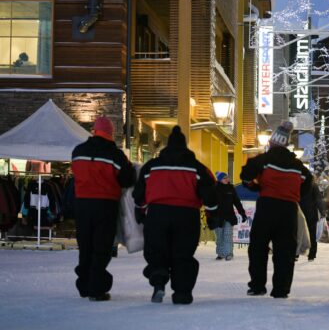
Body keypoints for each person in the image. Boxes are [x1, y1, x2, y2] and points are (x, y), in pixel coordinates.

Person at [133, 126, 217, 305]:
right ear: (185, 146)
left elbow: (139, 193)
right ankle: (182, 293)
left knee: (156, 250)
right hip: (187, 215)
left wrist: (140, 212)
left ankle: (159, 279)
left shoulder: (151, 167)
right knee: (183, 254)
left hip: (157, 213)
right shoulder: (197, 168)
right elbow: (210, 193)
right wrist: (212, 214)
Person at [240, 121, 312, 298]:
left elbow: (246, 174)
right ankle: (281, 289)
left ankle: (257, 286)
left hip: (267, 206)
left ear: (272, 142)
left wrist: (256, 186)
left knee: (258, 247)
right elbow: (308, 183)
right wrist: (295, 194)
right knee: (285, 251)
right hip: (289, 210)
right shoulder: (298, 167)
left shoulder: (264, 160)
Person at [71, 116, 136, 301]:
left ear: (94, 130)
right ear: (110, 132)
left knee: (85, 245)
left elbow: (76, 173)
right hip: (105, 205)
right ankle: (96, 288)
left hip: (82, 204)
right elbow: (127, 179)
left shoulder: (78, 151)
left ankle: (84, 284)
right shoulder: (115, 155)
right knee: (101, 246)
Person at [209, 172, 247, 261]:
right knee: (219, 237)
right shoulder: (214, 188)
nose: (227, 179)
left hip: (229, 216)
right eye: (224, 178)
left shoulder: (231, 188)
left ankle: (228, 253)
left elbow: (237, 202)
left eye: (227, 177)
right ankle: (220, 254)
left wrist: (242, 213)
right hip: (217, 217)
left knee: (228, 235)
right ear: (219, 179)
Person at [300, 179, 324, 261]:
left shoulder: (298, 183)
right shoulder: (313, 185)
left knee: (298, 233)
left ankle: (296, 253)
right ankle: (312, 254)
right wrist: (322, 211)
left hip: (299, 212)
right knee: (312, 234)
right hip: (311, 213)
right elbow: (318, 199)